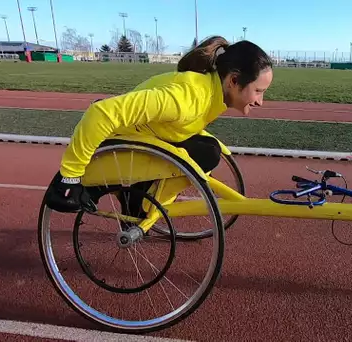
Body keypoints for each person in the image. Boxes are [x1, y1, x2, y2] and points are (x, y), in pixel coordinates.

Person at [44, 35, 273, 215]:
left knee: (208, 149)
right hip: (115, 141)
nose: (260, 101)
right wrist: (70, 175)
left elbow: (185, 125)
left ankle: (139, 198)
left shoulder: (213, 92)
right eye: (258, 91)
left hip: (146, 135)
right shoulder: (184, 99)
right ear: (233, 80)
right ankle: (139, 202)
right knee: (206, 155)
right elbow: (101, 112)